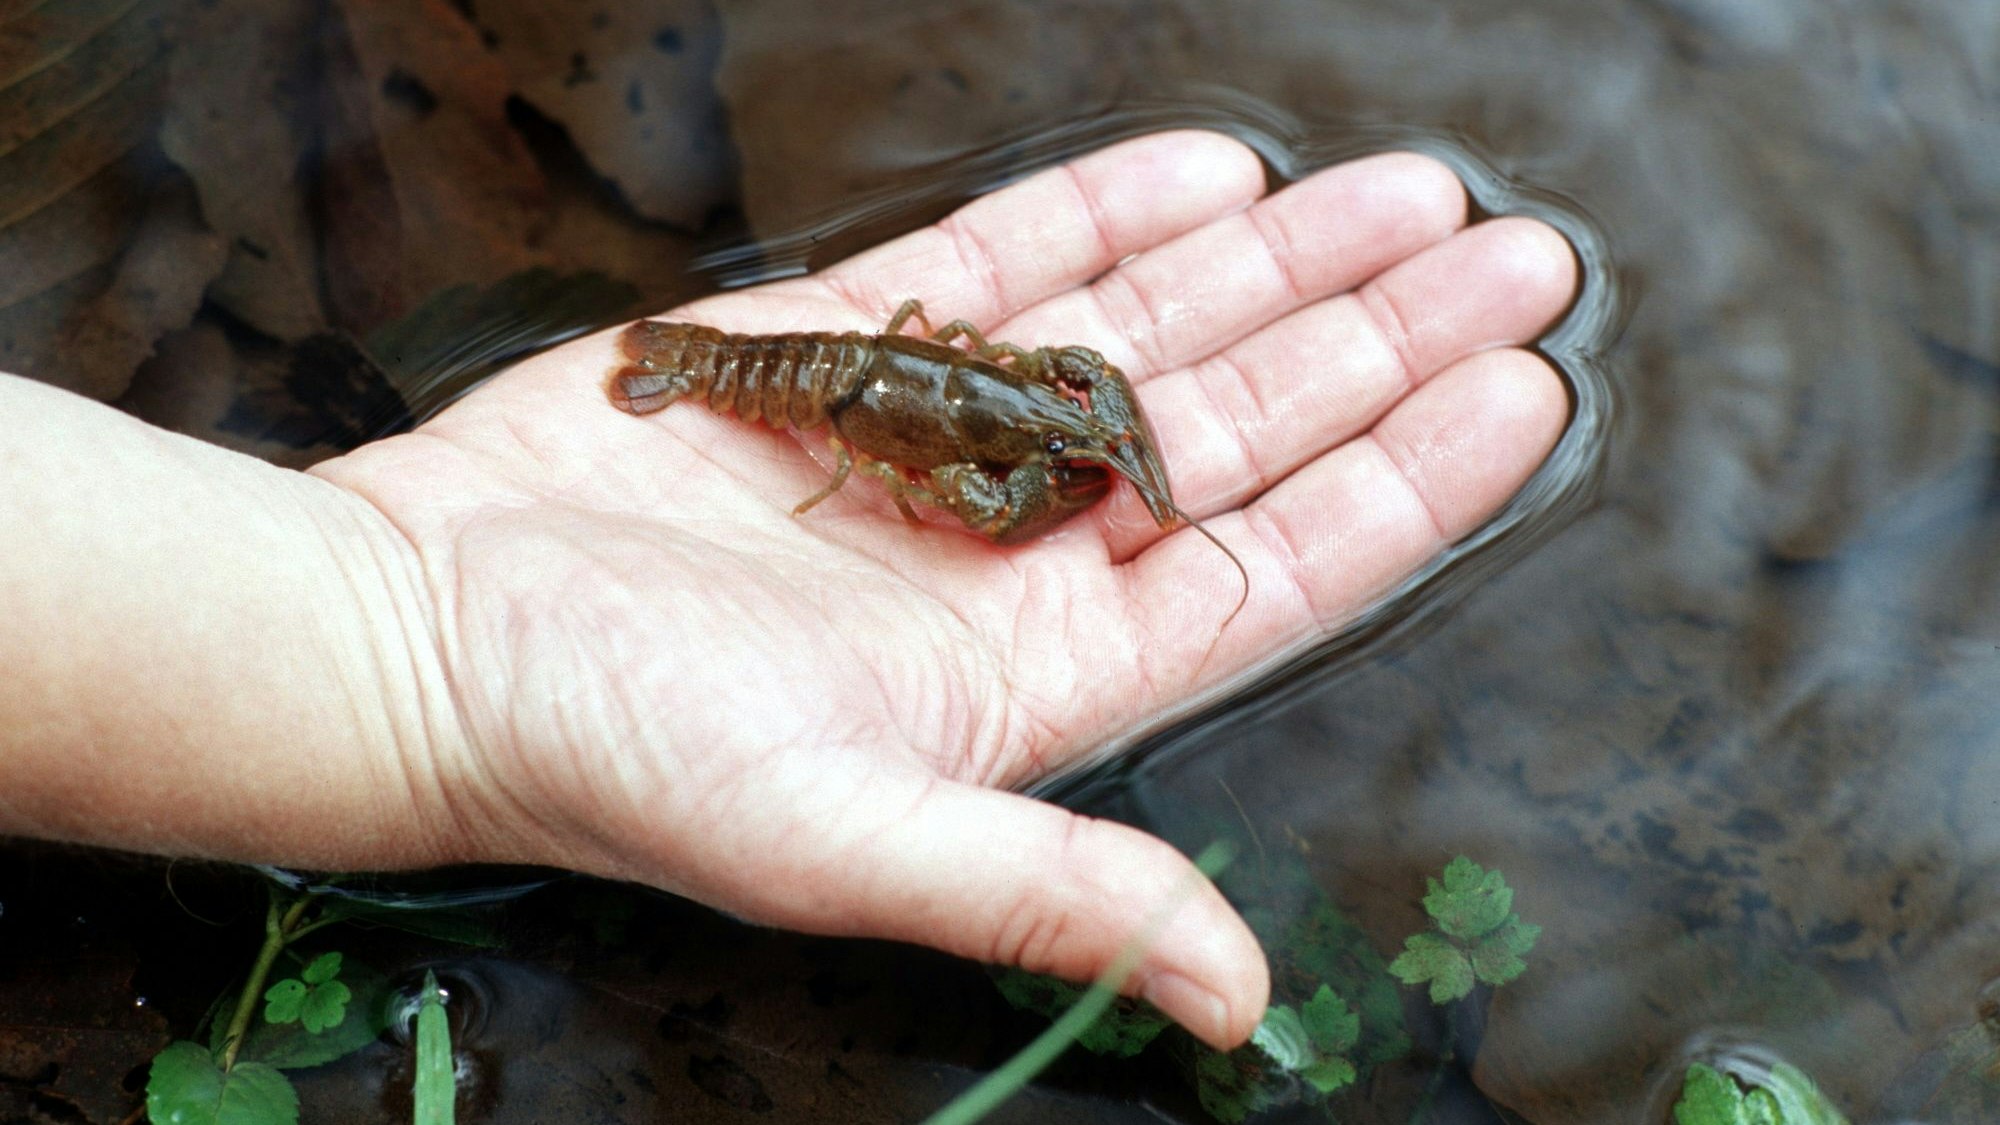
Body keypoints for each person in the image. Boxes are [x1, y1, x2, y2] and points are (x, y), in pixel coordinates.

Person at [0, 132, 1574, 1050]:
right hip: (792, 382)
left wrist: (399, 629)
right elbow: (945, 482)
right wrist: (415, 648)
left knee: (1005, 402)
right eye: (1068, 427)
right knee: (935, 425)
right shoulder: (875, 430)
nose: (1077, 434)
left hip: (870, 372)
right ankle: (701, 374)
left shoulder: (1018, 389)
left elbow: (1035, 387)